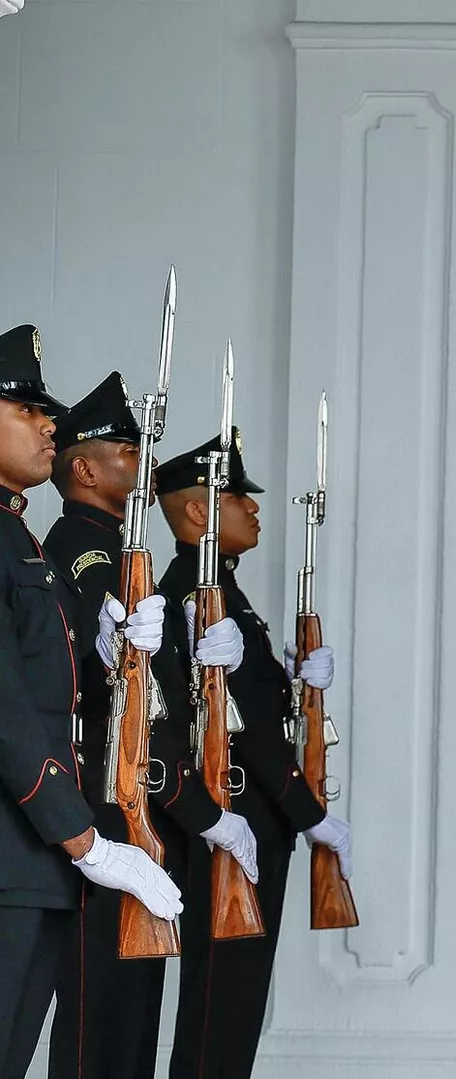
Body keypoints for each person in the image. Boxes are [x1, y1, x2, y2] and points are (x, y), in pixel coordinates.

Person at [43, 374, 260, 1079]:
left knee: (131, 1029)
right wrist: (199, 810)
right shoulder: (85, 546)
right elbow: (126, 704)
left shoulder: (111, 547)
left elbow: (163, 702)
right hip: (109, 808)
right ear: (84, 469)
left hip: (142, 811)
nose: (142, 465)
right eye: (127, 453)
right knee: (101, 1030)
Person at [0, 325, 181, 1079]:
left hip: (32, 859)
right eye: (26, 407)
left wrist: (109, 647)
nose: (49, 423)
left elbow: (51, 680)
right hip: (19, 850)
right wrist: (85, 837)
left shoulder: (22, 539)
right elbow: (6, 707)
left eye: (50, 412)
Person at [154, 427, 352, 1079]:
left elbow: (250, 708)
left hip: (253, 819)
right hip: (233, 819)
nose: (254, 507)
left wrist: (297, 677)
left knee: (235, 1016)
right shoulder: (194, 593)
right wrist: (307, 810)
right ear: (196, 511)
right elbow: (245, 733)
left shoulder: (226, 593)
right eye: (238, 496)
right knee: (219, 1015)